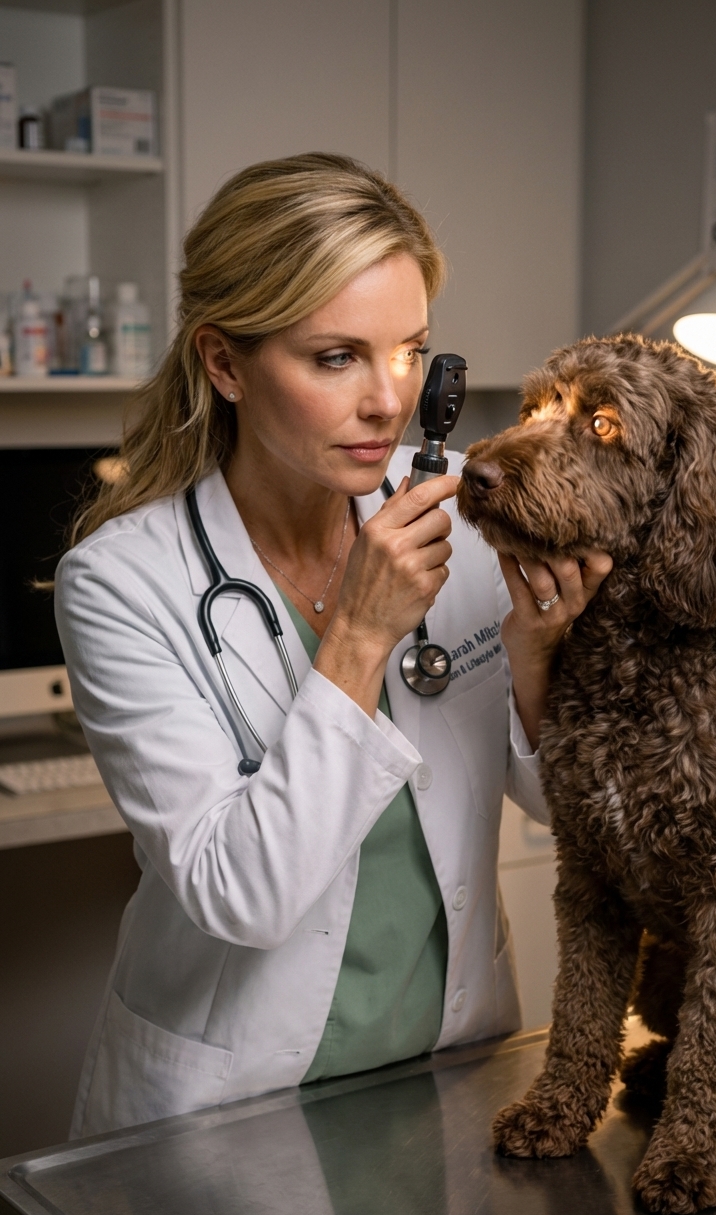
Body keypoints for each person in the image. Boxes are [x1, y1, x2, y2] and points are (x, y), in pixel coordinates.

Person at [56, 153, 611, 1138]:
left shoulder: (459, 504)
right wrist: (357, 633)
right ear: (225, 363)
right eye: (335, 357)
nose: (388, 400)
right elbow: (243, 894)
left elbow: (560, 807)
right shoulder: (122, 581)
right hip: (228, 1111)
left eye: (410, 351)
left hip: (450, 1071)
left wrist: (537, 653)